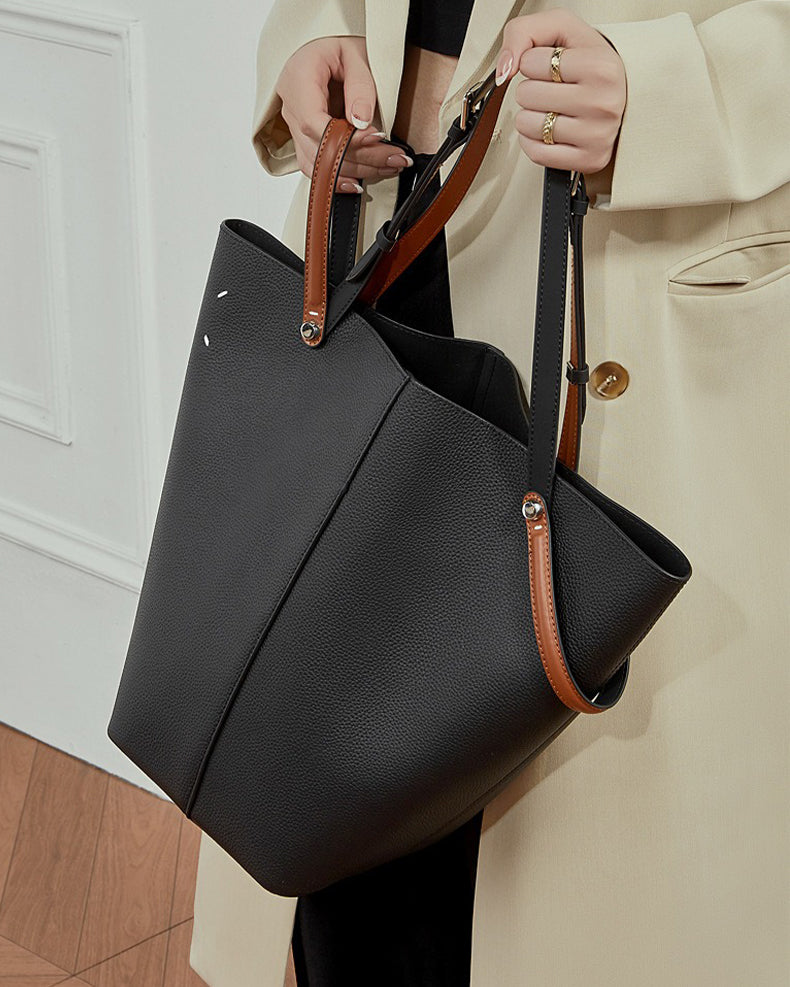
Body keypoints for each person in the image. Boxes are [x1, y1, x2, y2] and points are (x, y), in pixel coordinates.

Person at [189, 2, 790, 986]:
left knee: (583, 901)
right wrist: (308, 34)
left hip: (632, 279)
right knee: (357, 849)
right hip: (396, 222)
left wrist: (683, 94)